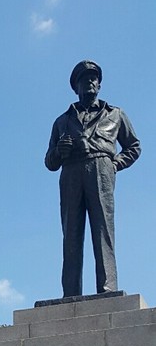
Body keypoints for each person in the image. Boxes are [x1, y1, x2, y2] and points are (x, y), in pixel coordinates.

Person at [45, 60, 140, 298]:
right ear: (75, 86)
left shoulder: (115, 114)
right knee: (71, 234)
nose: (90, 81)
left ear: (99, 84)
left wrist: (115, 164)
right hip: (71, 172)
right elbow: (50, 162)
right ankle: (70, 292)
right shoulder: (62, 121)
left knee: (103, 229)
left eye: (94, 78)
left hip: (101, 168)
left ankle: (107, 287)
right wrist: (59, 151)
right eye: (84, 78)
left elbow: (134, 146)